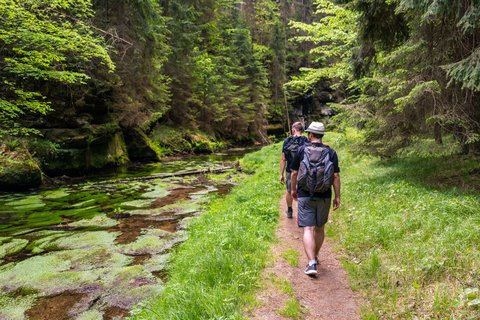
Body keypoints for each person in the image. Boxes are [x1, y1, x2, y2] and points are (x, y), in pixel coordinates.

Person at [290, 122, 341, 276]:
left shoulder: (301, 150)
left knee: (307, 228)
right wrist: (337, 196)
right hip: (324, 194)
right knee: (320, 228)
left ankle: (311, 262)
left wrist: (293, 190)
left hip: (305, 193)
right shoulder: (331, 152)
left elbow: (293, 173)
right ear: (322, 135)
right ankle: (316, 255)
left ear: (310, 134)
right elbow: (336, 176)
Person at [280, 122, 308, 218]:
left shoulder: (287, 141)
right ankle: (302, 213)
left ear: (293, 129)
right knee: (302, 191)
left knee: (289, 191)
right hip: (302, 171)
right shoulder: (306, 140)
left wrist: (281, 174)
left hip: (289, 170)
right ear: (302, 130)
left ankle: (290, 210)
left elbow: (283, 159)